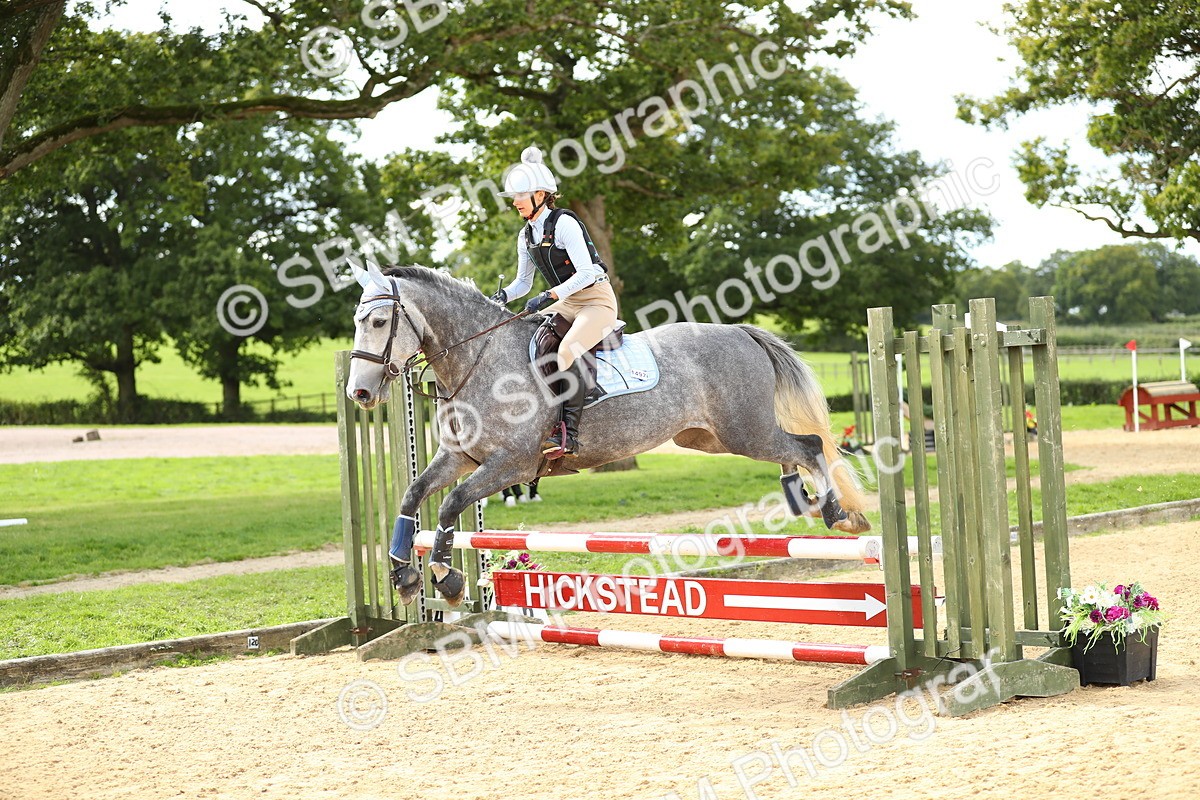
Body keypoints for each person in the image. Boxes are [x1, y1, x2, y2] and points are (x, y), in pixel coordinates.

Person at [493, 146, 619, 458]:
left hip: (595, 300)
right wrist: (503, 295)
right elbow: (523, 283)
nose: (514, 202)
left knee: (566, 350)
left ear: (539, 194)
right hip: (566, 302)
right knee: (524, 338)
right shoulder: (525, 236)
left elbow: (588, 272)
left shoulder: (564, 223)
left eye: (519, 196)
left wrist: (550, 295)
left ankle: (569, 435)